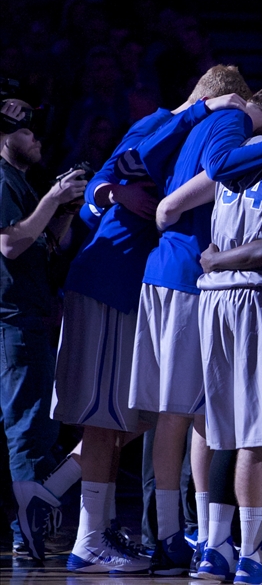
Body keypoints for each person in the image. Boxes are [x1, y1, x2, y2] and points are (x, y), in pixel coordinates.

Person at [129, 79, 262, 576]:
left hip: (213, 299)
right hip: (255, 295)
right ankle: (250, 551)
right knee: (254, 433)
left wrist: (212, 259)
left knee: (220, 429)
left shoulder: (233, 153)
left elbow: (169, 202)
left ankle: (212, 545)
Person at [52, 77, 248, 572]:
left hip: (133, 288)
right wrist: (113, 190)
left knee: (135, 416)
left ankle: (63, 502)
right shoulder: (170, 123)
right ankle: (94, 537)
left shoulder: (189, 133)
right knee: (114, 419)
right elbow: (109, 177)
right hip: (112, 282)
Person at [1, 98, 88, 561]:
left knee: (29, 423)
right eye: (29, 132)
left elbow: (45, 243)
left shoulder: (18, 182)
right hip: (14, 321)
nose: (37, 139)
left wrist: (65, 210)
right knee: (28, 428)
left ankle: (24, 526)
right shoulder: (2, 179)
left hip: (26, 317)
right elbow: (11, 244)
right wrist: (52, 198)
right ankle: (28, 530)